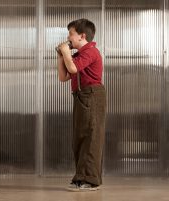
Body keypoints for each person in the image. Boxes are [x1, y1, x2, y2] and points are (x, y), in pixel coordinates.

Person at [57, 18, 106, 191]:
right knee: (80, 137)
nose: (68, 37)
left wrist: (66, 53)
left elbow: (73, 69)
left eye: (71, 33)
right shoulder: (77, 55)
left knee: (91, 137)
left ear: (82, 36)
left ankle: (90, 180)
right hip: (81, 96)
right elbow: (63, 77)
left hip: (92, 96)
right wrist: (61, 56)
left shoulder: (91, 52)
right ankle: (81, 176)